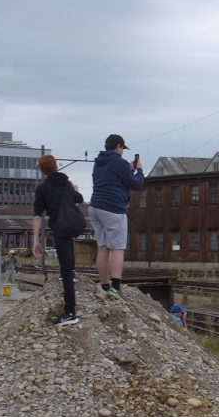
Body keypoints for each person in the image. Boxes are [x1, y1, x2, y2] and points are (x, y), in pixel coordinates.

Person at [32, 154, 85, 326]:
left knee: (66, 269)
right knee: (68, 254)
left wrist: (36, 240)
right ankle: (70, 273)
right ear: (56, 166)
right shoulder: (67, 184)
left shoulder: (43, 188)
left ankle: (70, 312)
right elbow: (80, 199)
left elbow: (37, 216)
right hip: (73, 224)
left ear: (42, 170)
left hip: (60, 227)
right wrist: (71, 187)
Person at [91, 134, 145, 299]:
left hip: (95, 207)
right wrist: (140, 170)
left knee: (103, 247)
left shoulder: (99, 162)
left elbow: (112, 176)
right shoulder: (118, 162)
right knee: (118, 248)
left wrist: (128, 168)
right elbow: (136, 184)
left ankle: (104, 284)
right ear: (119, 147)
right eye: (122, 149)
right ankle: (115, 286)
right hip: (113, 208)